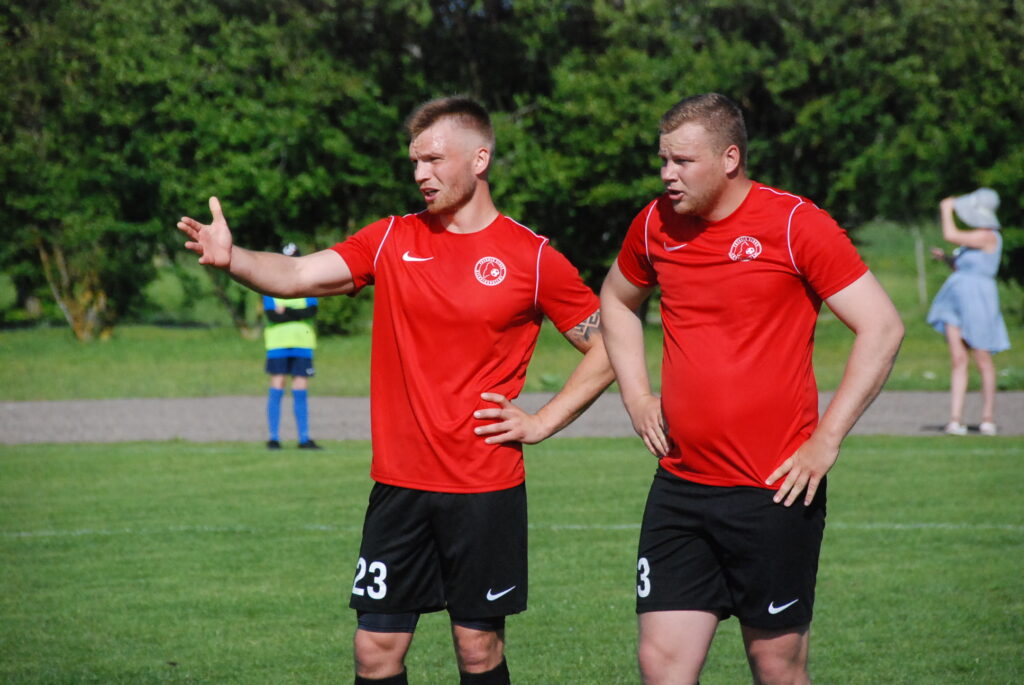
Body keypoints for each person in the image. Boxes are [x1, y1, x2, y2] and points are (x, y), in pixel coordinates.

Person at [176, 96, 614, 685]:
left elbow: (610, 346)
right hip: (399, 488)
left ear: (480, 159)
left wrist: (541, 421)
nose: (420, 174)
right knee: (374, 651)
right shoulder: (390, 238)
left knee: (477, 649)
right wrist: (234, 260)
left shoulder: (531, 257)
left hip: (484, 489)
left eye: (434, 159)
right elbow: (298, 274)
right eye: (414, 162)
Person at [599, 93, 904, 685]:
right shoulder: (654, 224)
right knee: (660, 663)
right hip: (681, 488)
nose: (667, 175)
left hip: (775, 492)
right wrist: (636, 396)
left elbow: (882, 327)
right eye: (663, 160)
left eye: (683, 161)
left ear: (730, 158)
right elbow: (615, 298)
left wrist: (826, 441)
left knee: (776, 667)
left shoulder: (794, 224)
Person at [926, 188, 1010, 436]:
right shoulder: (974, 239)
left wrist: (946, 210)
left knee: (982, 359)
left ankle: (987, 418)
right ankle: (955, 419)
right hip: (955, 300)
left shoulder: (989, 236)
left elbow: (950, 234)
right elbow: (961, 265)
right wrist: (946, 259)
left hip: (979, 300)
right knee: (958, 358)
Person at [262, 242, 321, 450]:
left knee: (300, 388)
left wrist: (285, 310)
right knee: (277, 385)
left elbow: (311, 311)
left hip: (302, 344)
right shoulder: (269, 285)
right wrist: (296, 313)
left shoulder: (308, 285)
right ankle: (273, 438)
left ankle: (304, 438)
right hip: (277, 344)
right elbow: (272, 315)